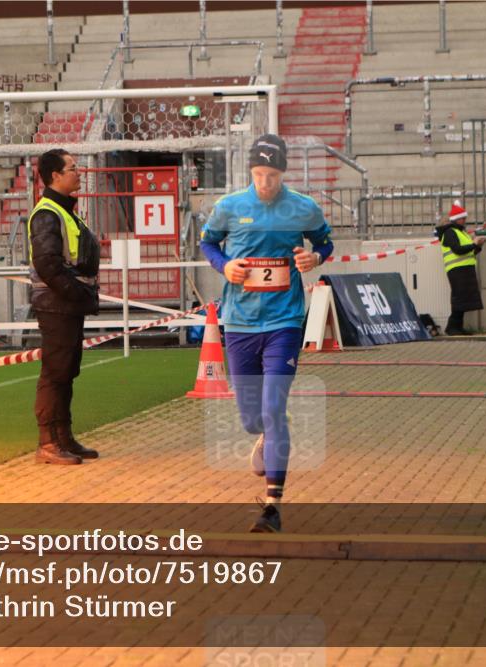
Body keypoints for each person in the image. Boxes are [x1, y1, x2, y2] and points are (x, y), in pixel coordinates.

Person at [199, 133, 334, 532]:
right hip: (240, 322)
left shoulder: (302, 209)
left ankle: (272, 506)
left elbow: (325, 242)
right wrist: (224, 266)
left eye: (272, 175)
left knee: (274, 407)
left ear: (283, 173)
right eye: (258, 174)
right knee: (250, 417)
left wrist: (315, 257)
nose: (264, 183)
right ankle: (262, 434)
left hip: (285, 321)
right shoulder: (229, 207)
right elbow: (208, 244)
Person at [28, 149, 101, 465]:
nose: (79, 172)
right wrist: (76, 293)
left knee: (66, 371)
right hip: (57, 305)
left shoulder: (63, 211)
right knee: (55, 373)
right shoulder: (47, 214)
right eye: (73, 168)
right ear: (55, 176)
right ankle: (48, 443)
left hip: (66, 304)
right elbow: (47, 264)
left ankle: (63, 438)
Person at [435, 201, 484, 335]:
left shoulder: (461, 232)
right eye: (463, 218)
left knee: (463, 299)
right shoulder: (450, 232)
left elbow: (469, 252)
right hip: (457, 270)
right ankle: (452, 327)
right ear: (457, 219)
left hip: (464, 269)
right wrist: (474, 244)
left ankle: (457, 327)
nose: (465, 220)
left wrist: (477, 246)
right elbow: (458, 250)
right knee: (459, 298)